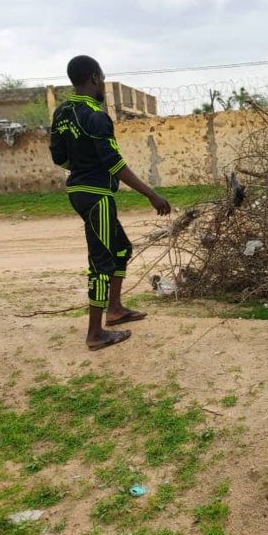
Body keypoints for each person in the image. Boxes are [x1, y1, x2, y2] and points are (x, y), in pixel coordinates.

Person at [50, 55, 171, 351]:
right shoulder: (95, 115)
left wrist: (80, 164)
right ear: (93, 78)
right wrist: (151, 194)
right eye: (102, 77)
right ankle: (95, 333)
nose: (103, 82)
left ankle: (114, 310)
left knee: (120, 248)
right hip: (96, 196)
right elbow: (114, 164)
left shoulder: (63, 112)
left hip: (79, 192)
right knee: (101, 261)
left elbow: (59, 157)